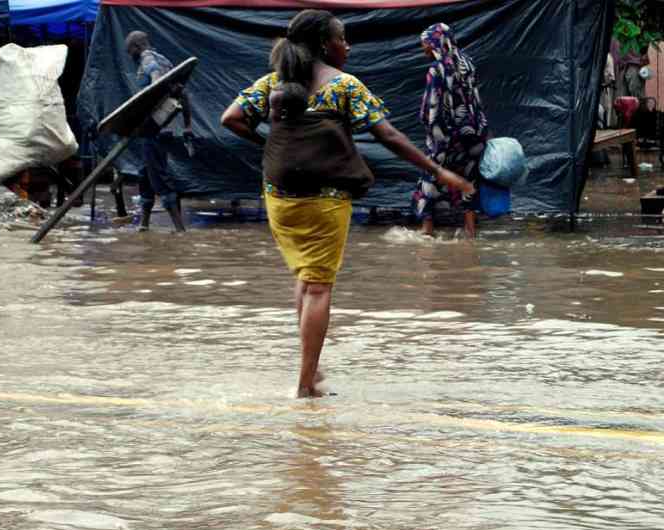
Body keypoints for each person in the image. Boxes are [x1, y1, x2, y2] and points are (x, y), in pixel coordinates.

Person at [220, 10, 474, 398]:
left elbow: (231, 118)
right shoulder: (343, 87)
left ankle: (313, 367)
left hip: (279, 198)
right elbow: (388, 135)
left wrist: (270, 143)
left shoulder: (272, 82)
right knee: (319, 286)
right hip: (325, 200)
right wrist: (439, 172)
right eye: (343, 39)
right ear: (326, 45)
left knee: (305, 278)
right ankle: (306, 385)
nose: (348, 46)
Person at [413, 23, 488, 238]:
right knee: (469, 181)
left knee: (429, 181)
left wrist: (433, 134)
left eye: (425, 44)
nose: (423, 49)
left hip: (449, 136)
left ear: (435, 43)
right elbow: (475, 99)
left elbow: (431, 108)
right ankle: (470, 234)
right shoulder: (468, 63)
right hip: (475, 134)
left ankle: (426, 234)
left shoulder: (437, 70)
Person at [125, 30, 193, 232]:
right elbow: (184, 95)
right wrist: (187, 125)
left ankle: (180, 229)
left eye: (130, 51)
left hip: (153, 129)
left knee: (159, 178)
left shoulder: (148, 61)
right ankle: (144, 225)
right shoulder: (166, 62)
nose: (130, 55)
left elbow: (156, 85)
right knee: (145, 174)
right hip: (166, 128)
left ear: (137, 47)